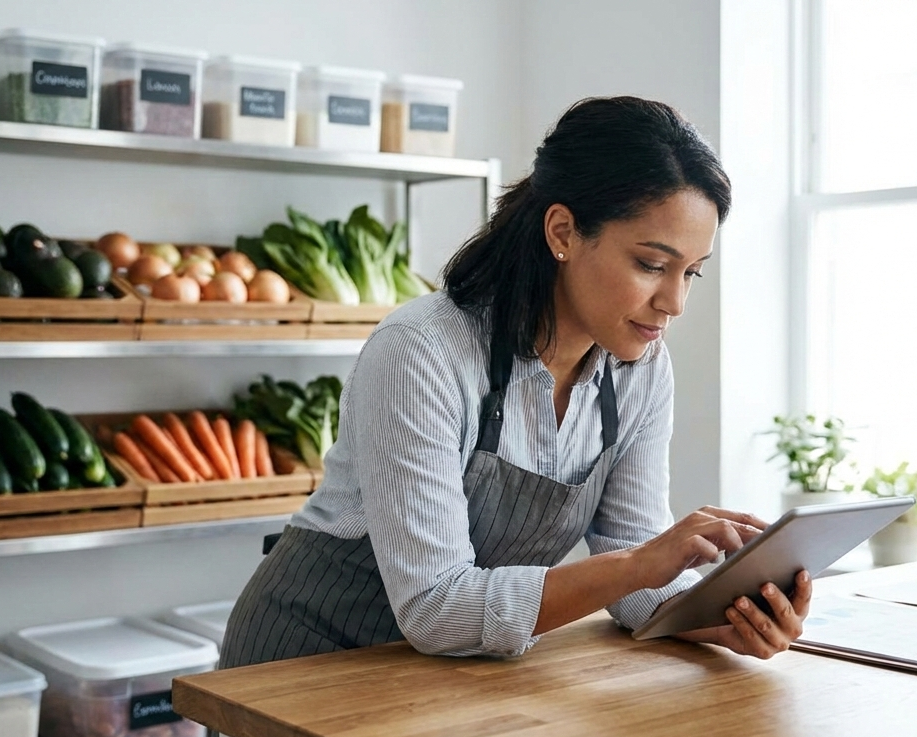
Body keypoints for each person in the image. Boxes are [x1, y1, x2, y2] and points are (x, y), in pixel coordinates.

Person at [219, 96, 811, 675]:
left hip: (445, 677)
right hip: (304, 665)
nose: (675, 303)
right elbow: (435, 609)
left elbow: (633, 565)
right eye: (651, 265)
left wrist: (720, 619)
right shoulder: (422, 352)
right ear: (563, 231)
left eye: (692, 272)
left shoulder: (641, 369)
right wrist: (640, 564)